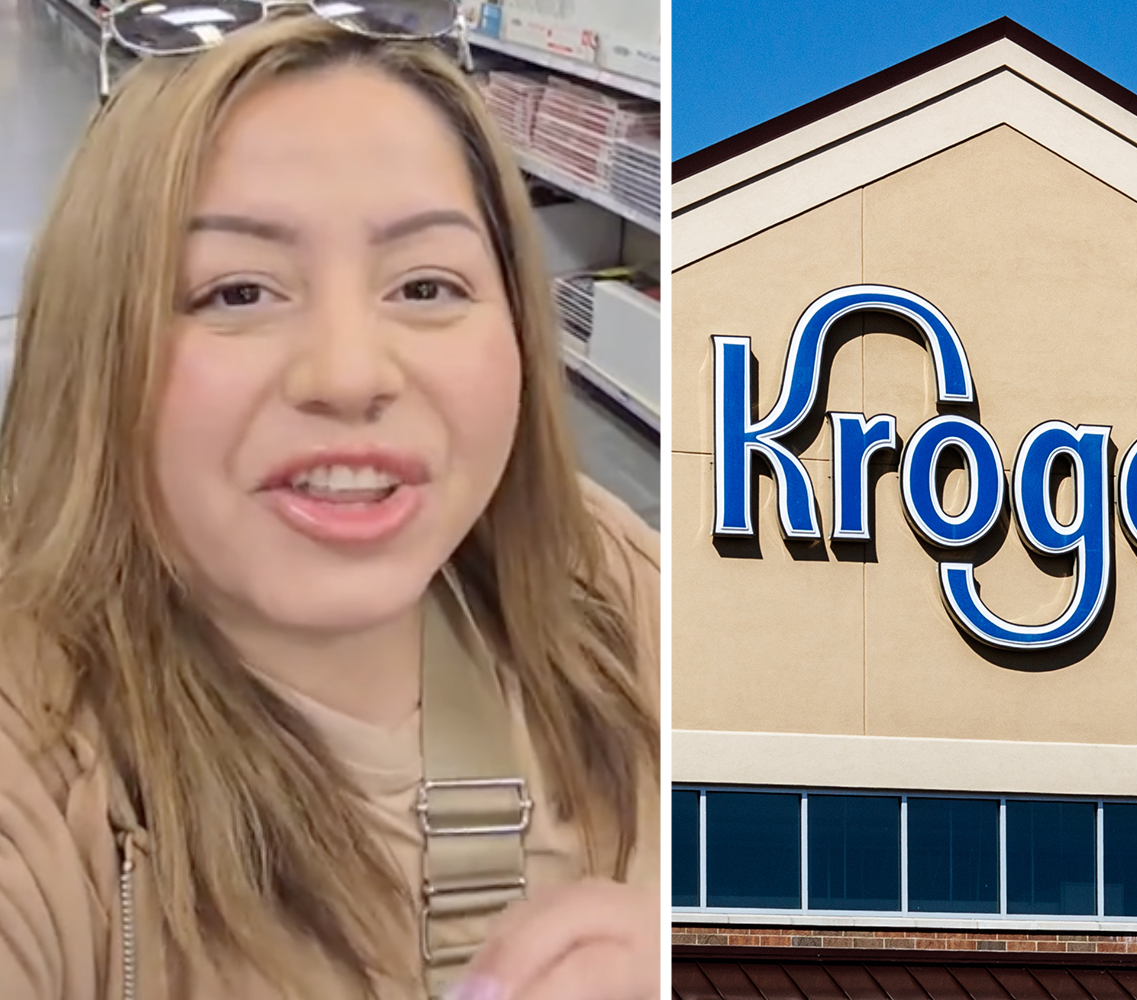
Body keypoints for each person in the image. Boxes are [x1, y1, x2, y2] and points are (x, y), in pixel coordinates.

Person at [0, 9, 661, 1000]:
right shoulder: (38, 757)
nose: (351, 375)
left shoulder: (604, 584)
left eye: (428, 285)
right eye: (236, 293)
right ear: (96, 345)